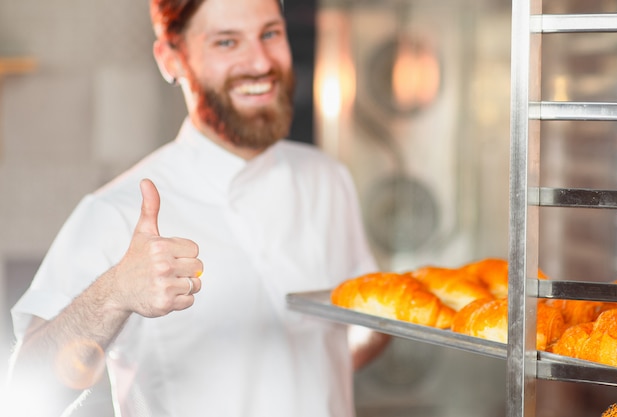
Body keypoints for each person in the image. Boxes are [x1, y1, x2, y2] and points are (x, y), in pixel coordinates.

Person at [6, 0, 390, 416]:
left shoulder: (328, 179)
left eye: (270, 33)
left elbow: (365, 324)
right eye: (227, 42)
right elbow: (27, 395)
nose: (261, 61)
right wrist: (116, 292)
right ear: (171, 59)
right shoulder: (117, 212)